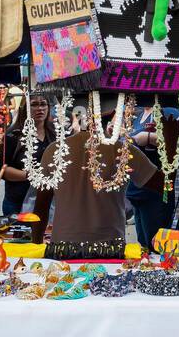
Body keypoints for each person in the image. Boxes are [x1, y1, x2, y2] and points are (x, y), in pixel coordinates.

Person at [28, 97, 163, 248]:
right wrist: (169, 147)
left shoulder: (54, 150)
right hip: (109, 246)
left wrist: (36, 245)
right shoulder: (122, 149)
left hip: (64, 246)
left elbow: (41, 206)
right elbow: (164, 186)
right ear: (113, 115)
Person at [126, 106, 171, 252]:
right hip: (137, 186)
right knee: (143, 241)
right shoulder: (139, 113)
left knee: (154, 240)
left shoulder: (167, 111)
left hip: (154, 184)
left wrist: (149, 138)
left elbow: (172, 139)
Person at [0, 93, 51, 218]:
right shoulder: (13, 135)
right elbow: (2, 169)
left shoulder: (55, 133)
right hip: (18, 202)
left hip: (49, 202)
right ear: (25, 108)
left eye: (43, 104)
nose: (40, 108)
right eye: (34, 104)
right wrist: (31, 175)